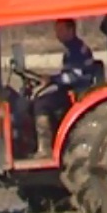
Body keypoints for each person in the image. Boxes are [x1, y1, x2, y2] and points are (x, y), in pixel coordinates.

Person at [32, 18, 99, 156]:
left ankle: (44, 149)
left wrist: (52, 79)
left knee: (41, 104)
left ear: (71, 30)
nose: (57, 34)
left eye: (60, 30)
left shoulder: (77, 50)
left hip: (79, 91)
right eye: (57, 30)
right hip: (72, 88)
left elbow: (74, 77)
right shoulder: (72, 49)